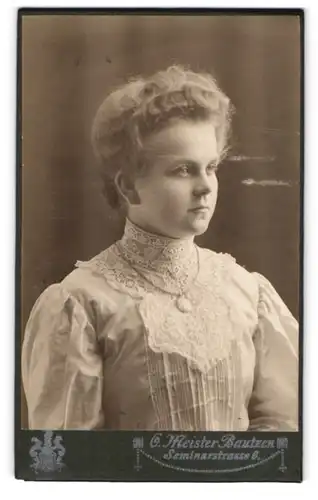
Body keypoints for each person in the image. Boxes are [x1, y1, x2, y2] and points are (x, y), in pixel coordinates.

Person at [21, 65, 299, 431]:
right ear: (129, 186)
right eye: (183, 170)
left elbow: (284, 429)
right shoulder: (82, 304)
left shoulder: (247, 291)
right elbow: (73, 460)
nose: (205, 187)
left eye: (211, 167)